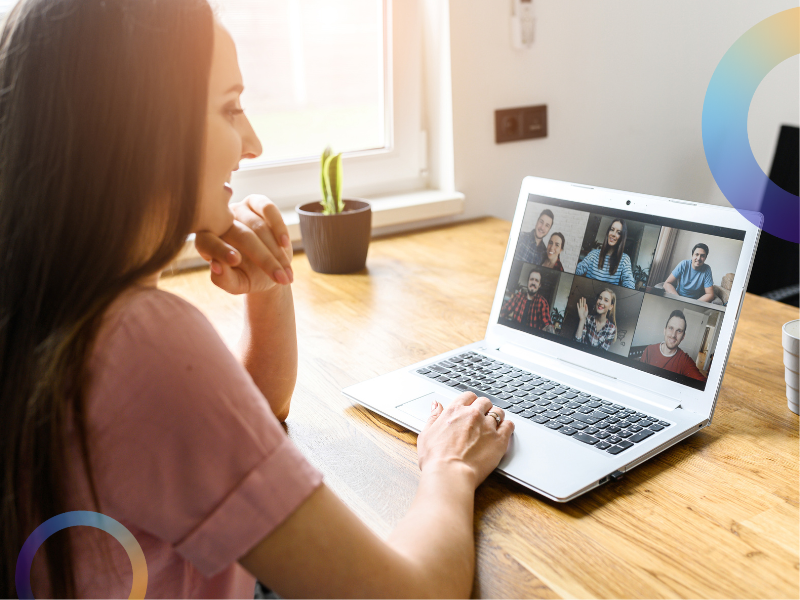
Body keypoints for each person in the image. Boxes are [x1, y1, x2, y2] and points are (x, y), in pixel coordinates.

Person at [0, 1, 514, 598]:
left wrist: (268, 291)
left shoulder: (49, 297)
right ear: (134, 126)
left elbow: (237, 430)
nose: (253, 143)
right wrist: (449, 470)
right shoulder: (137, 338)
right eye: (229, 108)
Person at [639, 310, 707, 381]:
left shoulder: (685, 361)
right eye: (671, 328)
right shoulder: (649, 350)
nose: (673, 335)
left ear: (683, 337)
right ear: (664, 330)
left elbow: (704, 384)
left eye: (679, 331)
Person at [575, 219, 636, 289]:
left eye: (618, 232)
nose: (613, 234)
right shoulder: (593, 254)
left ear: (622, 237)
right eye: (612, 229)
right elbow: (578, 270)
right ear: (608, 232)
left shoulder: (625, 259)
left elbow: (630, 284)